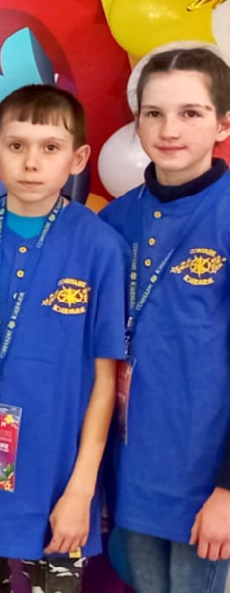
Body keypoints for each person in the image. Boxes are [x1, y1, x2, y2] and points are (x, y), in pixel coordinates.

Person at [0, 85, 124, 592]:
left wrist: (82, 490)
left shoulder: (101, 248)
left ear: (78, 159)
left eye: (50, 147)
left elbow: (105, 379)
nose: (32, 162)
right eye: (17, 146)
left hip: (58, 484)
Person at [98, 45, 230, 593]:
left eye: (190, 113)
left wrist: (229, 491)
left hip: (204, 483)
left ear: (224, 124)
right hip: (129, 475)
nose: (169, 129)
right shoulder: (112, 222)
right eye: (153, 113)